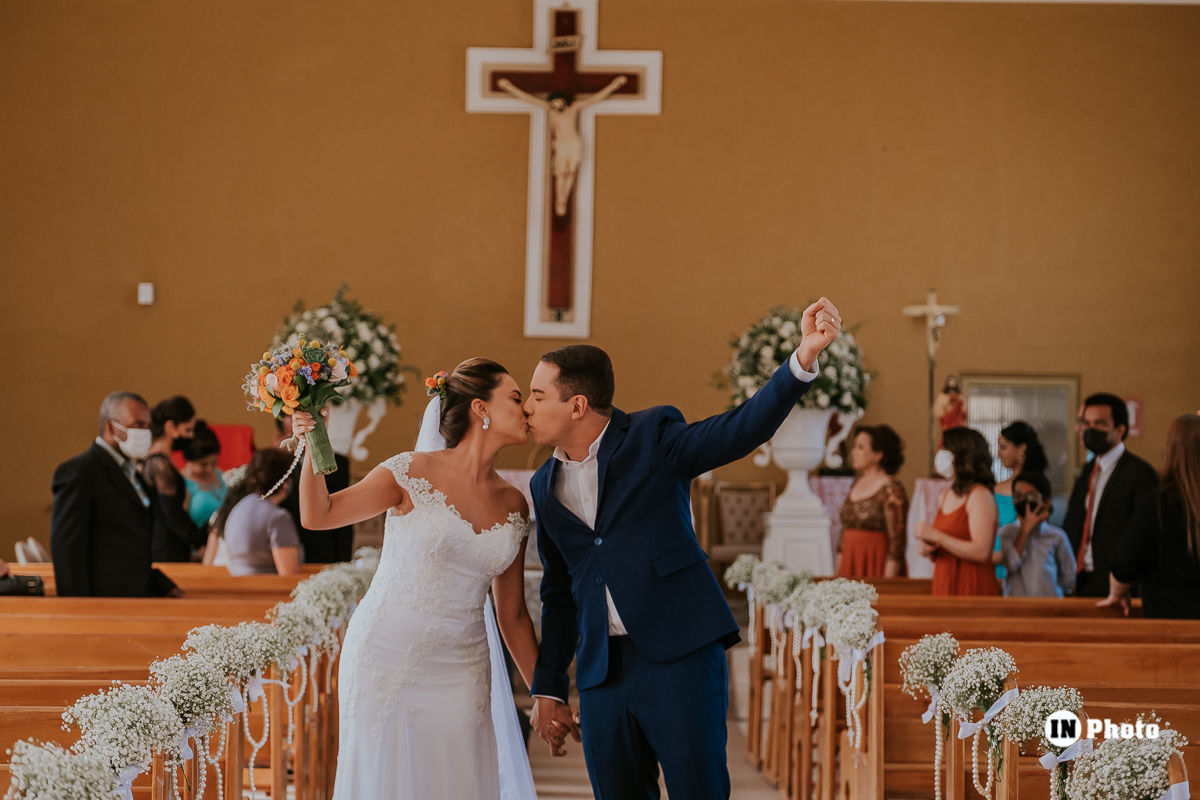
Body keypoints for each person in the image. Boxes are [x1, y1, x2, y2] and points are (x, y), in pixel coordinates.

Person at [524, 298, 842, 799]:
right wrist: (548, 686)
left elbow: (740, 429)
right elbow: (558, 593)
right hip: (602, 673)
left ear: (577, 405)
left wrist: (802, 359)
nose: (527, 406)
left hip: (680, 656)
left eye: (538, 395)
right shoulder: (543, 484)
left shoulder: (653, 436)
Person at [292, 358, 543, 799]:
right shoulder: (409, 471)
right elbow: (319, 514)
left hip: (465, 666)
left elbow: (513, 614)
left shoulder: (514, 504)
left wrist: (545, 694)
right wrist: (315, 439)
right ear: (481, 408)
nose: (526, 410)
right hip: (387, 654)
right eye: (516, 398)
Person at [50, 392, 179, 597]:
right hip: (104, 598)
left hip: (134, 595)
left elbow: (129, 543)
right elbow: (67, 549)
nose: (145, 432)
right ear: (111, 427)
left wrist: (157, 583)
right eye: (138, 424)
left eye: (147, 426)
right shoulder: (80, 471)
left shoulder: (131, 471)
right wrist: (76, 608)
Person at [1101, 414, 1200, 618]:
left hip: (1170, 624)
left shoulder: (1158, 503)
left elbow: (1125, 563)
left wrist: (1117, 592)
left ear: (1172, 451)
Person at [1064, 392, 1158, 597]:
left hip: (1119, 585)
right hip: (1082, 580)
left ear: (1120, 429)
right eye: (1086, 423)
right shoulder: (1087, 471)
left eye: (1099, 423)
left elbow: (1147, 533)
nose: (1090, 430)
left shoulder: (1139, 473)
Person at [496, 75, 628, 216]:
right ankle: (559, 199)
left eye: (557, 102)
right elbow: (529, 99)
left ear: (562, 100)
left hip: (573, 142)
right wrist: (509, 87)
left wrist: (614, 85)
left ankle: (564, 199)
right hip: (560, 144)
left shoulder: (573, 108)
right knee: (561, 173)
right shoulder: (550, 110)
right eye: (553, 103)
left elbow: (595, 98)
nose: (555, 105)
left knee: (570, 171)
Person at [915, 426, 1001, 596]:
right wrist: (931, 550)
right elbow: (949, 546)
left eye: (945, 449)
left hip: (971, 585)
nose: (940, 454)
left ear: (963, 455)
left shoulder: (979, 495)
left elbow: (982, 551)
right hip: (945, 581)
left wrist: (936, 536)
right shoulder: (946, 495)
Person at [275, 415, 354, 563]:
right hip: (289, 548)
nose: (300, 434)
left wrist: (344, 561)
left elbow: (345, 510)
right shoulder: (276, 464)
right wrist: (282, 457)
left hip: (325, 546)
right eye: (293, 430)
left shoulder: (338, 462)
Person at [216, 449, 304, 576]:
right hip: (266, 585)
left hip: (236, 582)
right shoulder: (277, 517)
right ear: (286, 483)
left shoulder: (239, 507)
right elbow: (289, 573)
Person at [836, 424, 908, 578]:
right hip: (851, 561)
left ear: (878, 454)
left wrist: (887, 584)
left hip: (877, 563)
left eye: (860, 447)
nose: (853, 452)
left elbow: (896, 542)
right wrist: (837, 575)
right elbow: (843, 535)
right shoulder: (855, 484)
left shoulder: (891, 488)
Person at [141, 396, 205, 561]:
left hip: (167, 544)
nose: (191, 436)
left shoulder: (157, 460)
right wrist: (200, 541)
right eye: (187, 430)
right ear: (170, 427)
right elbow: (172, 514)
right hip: (166, 548)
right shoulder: (159, 464)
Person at [994, 471, 1075, 597]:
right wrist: (1025, 530)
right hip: (1015, 605)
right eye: (1018, 496)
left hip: (1049, 605)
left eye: (1031, 496)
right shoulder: (1008, 532)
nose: (1024, 501)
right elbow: (1011, 564)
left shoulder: (1057, 536)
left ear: (1046, 501)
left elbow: (1069, 580)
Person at [992, 421, 1049, 579]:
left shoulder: (1035, 490)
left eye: (1003, 447)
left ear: (1021, 448)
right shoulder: (995, 488)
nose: (999, 454)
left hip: (1019, 568)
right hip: (992, 568)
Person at [181, 420, 225, 530]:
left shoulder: (219, 474)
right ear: (189, 460)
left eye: (214, 462)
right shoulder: (182, 482)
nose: (210, 469)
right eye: (203, 465)